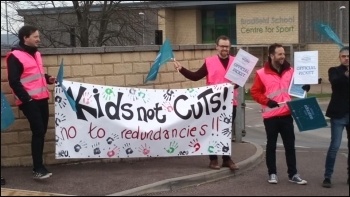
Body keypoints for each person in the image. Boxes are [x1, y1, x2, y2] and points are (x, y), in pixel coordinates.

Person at [173, 35, 239, 171]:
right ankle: (213, 159)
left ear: (230, 47)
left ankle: (227, 159)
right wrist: (181, 69)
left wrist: (234, 85)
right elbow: (196, 76)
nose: (224, 49)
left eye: (227, 46)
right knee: (213, 131)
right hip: (213, 104)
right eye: (222, 46)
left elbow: (239, 82)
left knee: (226, 132)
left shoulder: (236, 62)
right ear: (217, 47)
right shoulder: (209, 62)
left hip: (230, 103)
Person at [250, 43, 309, 185]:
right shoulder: (261, 73)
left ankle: (293, 174)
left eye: (284, 54)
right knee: (271, 146)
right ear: (271, 55)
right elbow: (254, 92)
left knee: (290, 146)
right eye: (280, 54)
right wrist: (267, 101)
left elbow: (298, 89)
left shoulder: (291, 71)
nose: (283, 56)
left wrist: (306, 87)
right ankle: (272, 173)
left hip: (287, 114)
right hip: (270, 116)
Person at [6, 25, 56, 179]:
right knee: (38, 131)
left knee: (41, 132)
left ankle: (39, 167)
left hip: (42, 98)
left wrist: (48, 79)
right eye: (35, 37)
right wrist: (27, 99)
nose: (38, 39)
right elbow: (14, 81)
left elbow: (37, 73)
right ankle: (38, 168)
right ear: (25, 38)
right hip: (29, 101)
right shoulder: (15, 56)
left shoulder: (37, 54)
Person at [322, 46, 349, 188]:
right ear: (340, 57)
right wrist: (346, 74)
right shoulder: (334, 71)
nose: (346, 58)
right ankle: (327, 176)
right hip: (338, 114)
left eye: (348, 56)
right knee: (335, 146)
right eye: (344, 56)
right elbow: (335, 83)